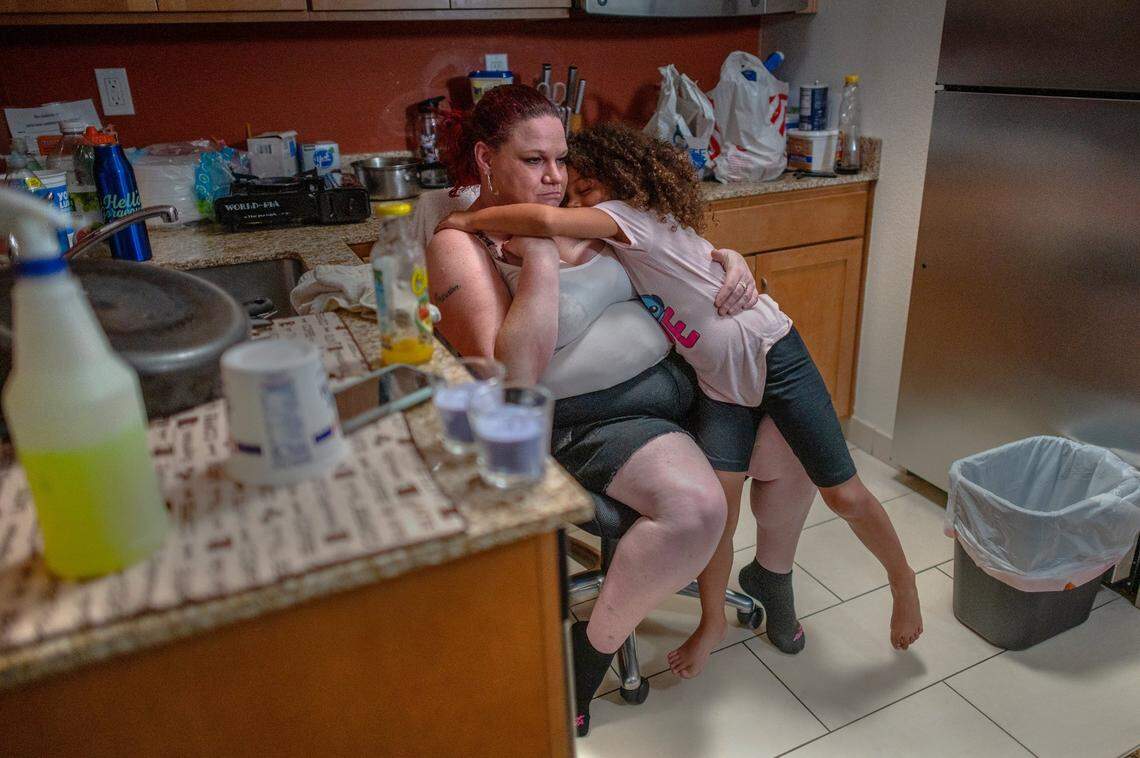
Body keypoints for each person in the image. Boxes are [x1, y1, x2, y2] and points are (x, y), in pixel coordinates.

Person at [437, 121, 925, 681]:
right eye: (537, 162)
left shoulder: (621, 219)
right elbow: (512, 360)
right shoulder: (573, 239)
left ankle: (886, 580)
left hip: (764, 357)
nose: (564, 189)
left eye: (573, 175)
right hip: (707, 389)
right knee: (721, 511)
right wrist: (488, 234)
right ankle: (712, 621)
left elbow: (562, 226)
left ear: (619, 181)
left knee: (838, 488)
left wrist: (469, 219)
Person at [427, 85, 818, 734]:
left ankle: (771, 575)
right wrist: (541, 253)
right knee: (697, 510)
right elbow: (514, 377)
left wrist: (729, 261)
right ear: (486, 159)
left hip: (687, 379)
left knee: (797, 435)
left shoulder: (577, 204)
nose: (555, 178)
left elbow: (666, 256)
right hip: (598, 420)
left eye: (561, 159)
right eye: (533, 160)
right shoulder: (462, 244)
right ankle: (589, 655)